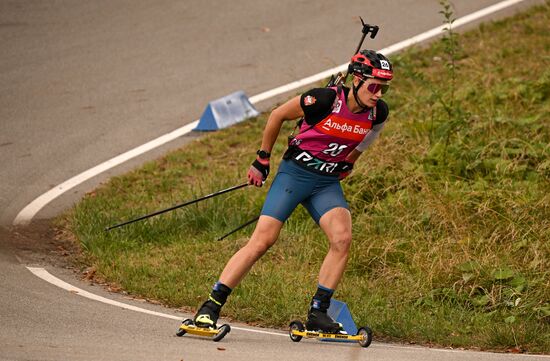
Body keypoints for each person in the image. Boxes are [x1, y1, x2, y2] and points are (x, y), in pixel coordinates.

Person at [193, 49, 393, 333]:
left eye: (384, 88)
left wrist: (348, 164)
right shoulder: (324, 100)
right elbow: (277, 116)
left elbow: (365, 140)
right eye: (374, 86)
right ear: (357, 80)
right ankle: (210, 307)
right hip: (295, 175)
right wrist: (262, 159)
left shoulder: (378, 113)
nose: (379, 94)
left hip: (325, 183)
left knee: (342, 238)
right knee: (263, 241)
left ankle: (318, 313)